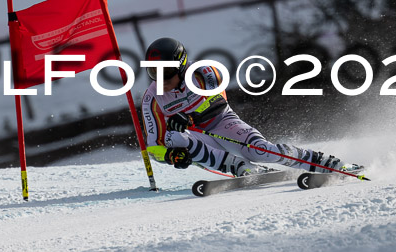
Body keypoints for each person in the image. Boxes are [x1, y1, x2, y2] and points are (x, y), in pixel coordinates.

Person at [141, 37, 363, 177]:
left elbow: (217, 101)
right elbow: (154, 147)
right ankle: (237, 166)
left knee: (261, 151)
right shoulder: (152, 98)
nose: (159, 79)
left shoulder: (203, 72)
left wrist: (189, 117)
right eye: (153, 72)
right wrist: (171, 156)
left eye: (165, 72)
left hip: (223, 122)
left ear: (181, 66)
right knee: (174, 138)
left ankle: (323, 162)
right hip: (199, 139)